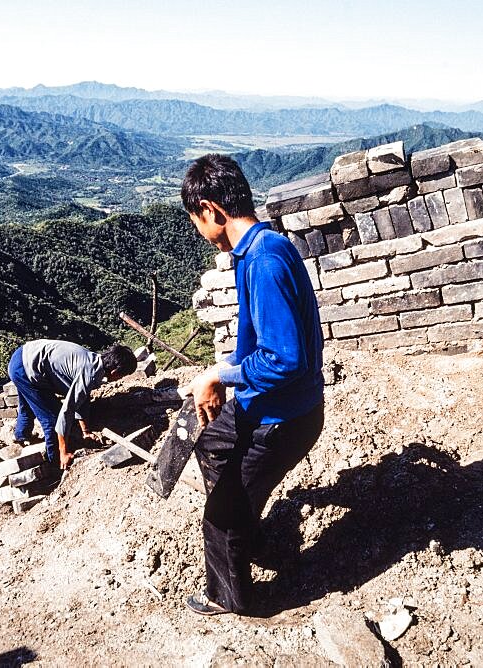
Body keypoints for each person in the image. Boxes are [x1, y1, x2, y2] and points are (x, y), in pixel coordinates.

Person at [181, 154, 325, 616]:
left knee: (220, 519)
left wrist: (217, 374)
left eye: (195, 221)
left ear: (210, 210)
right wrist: (229, 372)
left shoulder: (263, 261)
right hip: (265, 401)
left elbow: (285, 358)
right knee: (211, 444)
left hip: (285, 415)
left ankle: (231, 598)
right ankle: (249, 521)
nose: (200, 233)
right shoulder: (257, 248)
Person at [8, 339, 137, 471]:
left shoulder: (95, 361)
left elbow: (82, 398)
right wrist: (64, 452)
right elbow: (66, 413)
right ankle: (56, 463)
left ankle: (21, 434)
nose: (120, 379)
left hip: (24, 354)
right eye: (122, 376)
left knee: (31, 402)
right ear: (115, 372)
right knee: (52, 419)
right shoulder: (89, 375)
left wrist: (85, 432)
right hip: (24, 368)